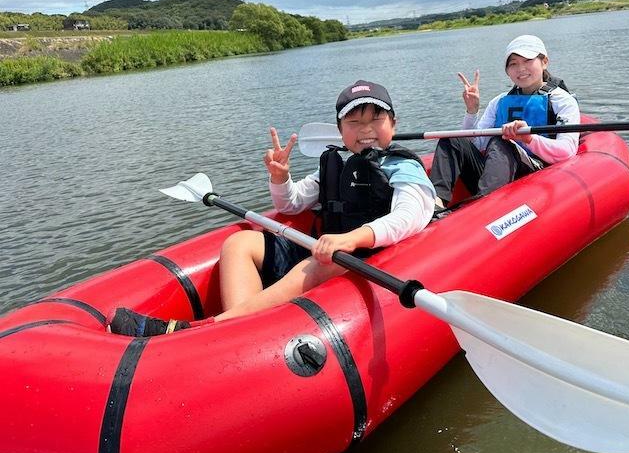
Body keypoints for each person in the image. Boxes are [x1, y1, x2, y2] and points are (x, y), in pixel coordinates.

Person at [109, 80, 436, 336]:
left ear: (393, 123)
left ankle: (201, 330)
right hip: (328, 249)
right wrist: (280, 178)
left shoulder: (401, 166)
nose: (365, 129)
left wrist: (354, 238)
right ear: (340, 131)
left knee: (318, 264)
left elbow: (410, 216)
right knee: (240, 243)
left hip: (371, 258)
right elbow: (291, 205)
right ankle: (242, 329)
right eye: (354, 121)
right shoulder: (335, 165)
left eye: (376, 118)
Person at [429, 34, 580, 207]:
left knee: (502, 142)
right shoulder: (499, 101)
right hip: (497, 174)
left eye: (527, 60)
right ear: (507, 71)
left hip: (537, 175)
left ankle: (483, 207)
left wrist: (528, 138)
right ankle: (436, 204)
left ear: (544, 61)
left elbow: (567, 151)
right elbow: (476, 145)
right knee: (453, 138)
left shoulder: (561, 100)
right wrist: (472, 111)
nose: (520, 68)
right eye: (513, 64)